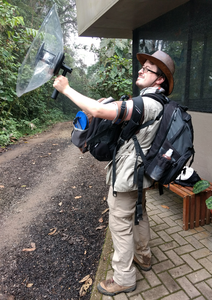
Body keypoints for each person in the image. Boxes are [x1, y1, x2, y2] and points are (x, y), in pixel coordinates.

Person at [53, 50, 175, 296]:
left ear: (160, 79)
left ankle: (124, 277)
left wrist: (66, 88)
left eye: (148, 68)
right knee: (139, 215)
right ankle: (144, 257)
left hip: (128, 175)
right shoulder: (158, 102)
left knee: (120, 224)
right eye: (143, 67)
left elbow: (98, 113)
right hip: (141, 175)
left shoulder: (147, 104)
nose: (141, 70)